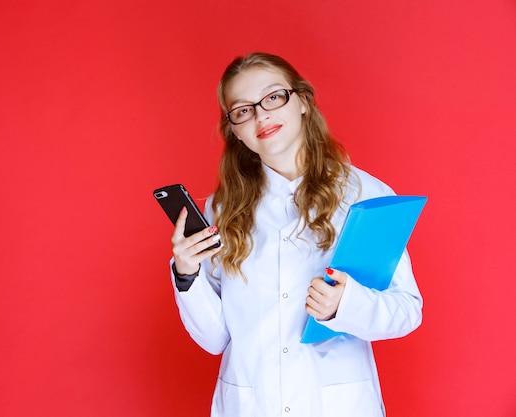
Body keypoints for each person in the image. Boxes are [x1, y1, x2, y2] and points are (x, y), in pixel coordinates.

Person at [169, 52, 422, 417]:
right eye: (242, 110)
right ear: (234, 130)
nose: (261, 115)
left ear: (302, 101)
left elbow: (406, 311)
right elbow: (215, 340)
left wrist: (345, 306)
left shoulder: (366, 194)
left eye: (273, 97)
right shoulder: (219, 212)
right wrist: (186, 274)